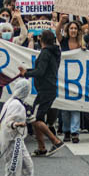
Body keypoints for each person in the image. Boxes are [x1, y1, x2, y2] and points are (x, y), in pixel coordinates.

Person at [18, 29, 64, 157]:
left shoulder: (45, 53)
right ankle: (41, 147)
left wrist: (27, 73)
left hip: (45, 89)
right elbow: (42, 69)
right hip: (49, 88)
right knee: (36, 117)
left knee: (34, 118)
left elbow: (40, 71)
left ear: (40, 40)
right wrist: (27, 71)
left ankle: (55, 141)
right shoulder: (55, 52)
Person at [0, 79, 40, 176]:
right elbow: (8, 122)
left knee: (27, 165)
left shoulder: (13, 102)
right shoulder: (16, 105)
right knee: (13, 168)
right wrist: (16, 124)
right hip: (12, 141)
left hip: (16, 140)